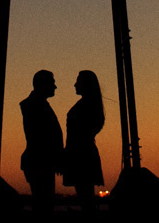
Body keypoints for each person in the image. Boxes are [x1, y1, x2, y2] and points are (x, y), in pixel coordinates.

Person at [21, 69, 63, 218]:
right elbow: (41, 137)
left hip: (41, 161)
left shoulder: (37, 104)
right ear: (42, 84)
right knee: (43, 205)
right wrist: (56, 157)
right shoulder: (34, 105)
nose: (55, 87)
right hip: (40, 162)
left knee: (43, 204)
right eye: (52, 83)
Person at [63, 70, 105, 214]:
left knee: (85, 198)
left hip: (81, 156)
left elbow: (77, 134)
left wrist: (68, 154)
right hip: (83, 153)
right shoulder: (90, 105)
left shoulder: (86, 106)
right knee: (86, 198)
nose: (75, 85)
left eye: (78, 81)